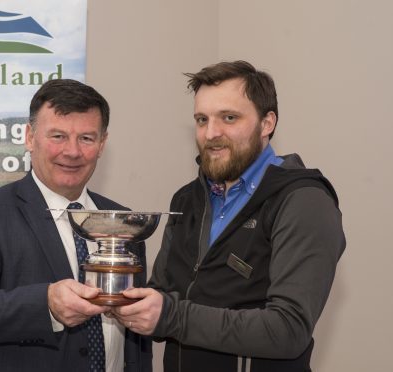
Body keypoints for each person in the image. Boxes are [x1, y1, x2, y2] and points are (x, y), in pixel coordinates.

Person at [111, 61, 346, 371]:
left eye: (229, 118)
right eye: (201, 119)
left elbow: (288, 330)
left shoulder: (303, 201)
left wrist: (170, 316)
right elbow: (166, 292)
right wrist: (126, 300)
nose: (211, 133)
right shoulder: (186, 198)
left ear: (267, 123)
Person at [0, 79, 152, 372]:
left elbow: (136, 335)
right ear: (30, 137)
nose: (72, 151)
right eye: (58, 136)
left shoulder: (123, 220)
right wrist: (46, 304)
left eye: (87, 138)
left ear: (102, 144)